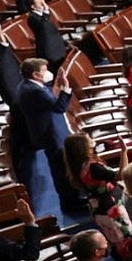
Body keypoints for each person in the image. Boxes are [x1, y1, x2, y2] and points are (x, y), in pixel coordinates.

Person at [16, 57, 86, 211]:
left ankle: (73, 199)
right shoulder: (34, 90)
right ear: (35, 74)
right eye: (44, 70)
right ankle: (70, 203)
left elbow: (48, 97)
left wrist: (57, 83)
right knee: (61, 169)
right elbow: (59, 106)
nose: (48, 72)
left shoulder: (27, 85)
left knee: (62, 166)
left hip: (49, 131)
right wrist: (66, 87)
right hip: (51, 134)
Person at [63, 133, 132, 261]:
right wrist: (124, 151)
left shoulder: (78, 165)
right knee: (126, 239)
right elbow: (122, 175)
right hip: (112, 210)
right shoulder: (93, 167)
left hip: (98, 208)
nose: (92, 140)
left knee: (114, 239)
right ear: (82, 146)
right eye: (88, 139)